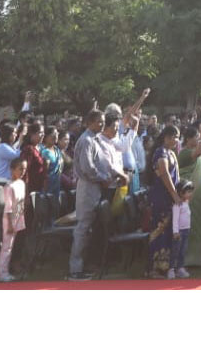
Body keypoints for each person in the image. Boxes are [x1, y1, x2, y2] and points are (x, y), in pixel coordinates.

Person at [69, 108, 126, 280]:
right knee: (83, 228)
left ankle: (82, 265)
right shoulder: (86, 140)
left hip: (95, 187)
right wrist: (104, 178)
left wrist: (113, 175)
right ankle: (75, 270)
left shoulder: (94, 139)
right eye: (98, 121)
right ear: (89, 123)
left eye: (102, 121)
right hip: (88, 187)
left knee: (88, 228)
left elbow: (103, 163)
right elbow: (88, 168)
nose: (101, 124)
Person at [145, 123, 183, 278]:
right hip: (162, 198)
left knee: (167, 232)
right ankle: (153, 268)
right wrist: (174, 194)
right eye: (175, 137)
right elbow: (165, 174)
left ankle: (165, 267)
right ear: (167, 137)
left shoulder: (170, 152)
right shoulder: (161, 153)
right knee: (159, 231)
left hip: (168, 199)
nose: (177, 140)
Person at [181, 136, 201, 268]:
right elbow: (199, 151)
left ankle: (197, 259)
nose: (198, 140)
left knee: (199, 226)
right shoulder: (185, 153)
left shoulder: (198, 155)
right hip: (189, 197)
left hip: (200, 197)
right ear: (188, 139)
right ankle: (186, 259)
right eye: (195, 137)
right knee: (189, 226)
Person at [0, 154, 28, 282]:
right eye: (20, 169)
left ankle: (8, 270)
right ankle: (1, 273)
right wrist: (10, 224)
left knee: (13, 247)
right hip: (9, 220)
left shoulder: (21, 183)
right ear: (12, 169)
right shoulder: (9, 187)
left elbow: (21, 203)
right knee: (7, 247)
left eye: (24, 169)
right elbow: (8, 208)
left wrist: (20, 219)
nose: (22, 171)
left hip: (18, 218)